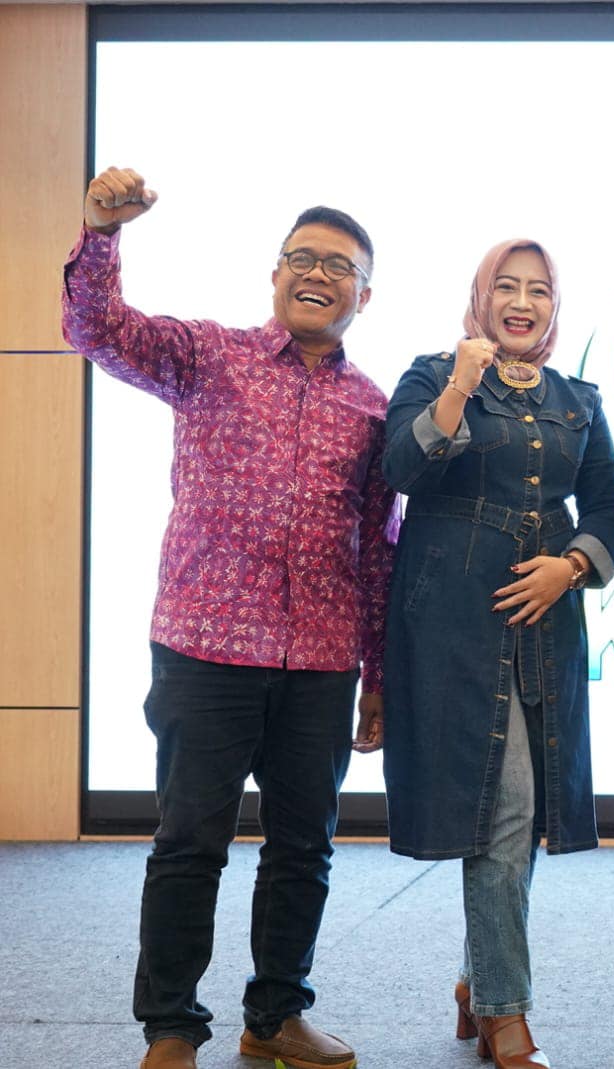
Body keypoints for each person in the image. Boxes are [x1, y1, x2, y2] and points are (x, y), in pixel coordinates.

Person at [61, 168, 396, 1069]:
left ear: (366, 294)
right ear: (276, 273)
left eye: (340, 266)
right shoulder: (210, 355)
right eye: (302, 258)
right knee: (189, 844)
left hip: (320, 660)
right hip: (205, 649)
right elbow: (96, 330)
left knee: (303, 850)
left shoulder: (374, 407)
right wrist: (101, 233)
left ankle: (275, 1014)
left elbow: (377, 551)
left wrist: (379, 675)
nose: (317, 274)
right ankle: (171, 1027)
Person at [378, 239, 614, 1069]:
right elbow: (402, 468)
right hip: (451, 619)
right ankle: (505, 1011)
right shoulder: (430, 374)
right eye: (507, 287)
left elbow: (608, 506)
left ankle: (474, 978)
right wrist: (459, 383)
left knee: (517, 811)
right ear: (480, 297)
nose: (523, 302)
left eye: (539, 290)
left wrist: (572, 565)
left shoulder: (579, 399)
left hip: (546, 619)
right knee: (506, 805)